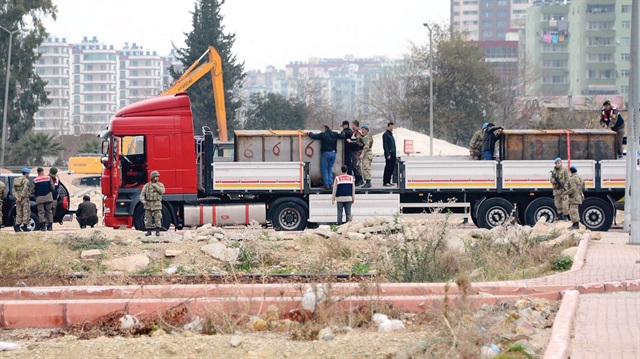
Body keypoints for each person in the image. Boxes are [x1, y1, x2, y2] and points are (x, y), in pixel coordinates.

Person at [308, 125, 345, 189]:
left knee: (324, 169)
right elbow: (343, 136)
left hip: (326, 153)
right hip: (333, 153)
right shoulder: (335, 134)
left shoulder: (323, 134)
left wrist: (309, 133)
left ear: (325, 129)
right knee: (330, 169)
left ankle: (326, 184)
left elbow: (313, 136)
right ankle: (331, 183)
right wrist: (342, 131)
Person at [140, 170, 165, 236]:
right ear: (152, 177)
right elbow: (142, 194)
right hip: (149, 204)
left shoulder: (160, 185)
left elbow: (162, 191)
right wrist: (143, 201)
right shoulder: (147, 186)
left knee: (158, 217)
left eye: (158, 176)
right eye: (156, 176)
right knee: (148, 218)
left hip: (157, 204)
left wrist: (156, 187)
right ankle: (149, 231)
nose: (157, 178)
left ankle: (157, 231)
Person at [32, 167, 54, 231]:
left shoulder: (35, 180)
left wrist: (35, 195)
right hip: (48, 197)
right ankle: (50, 226)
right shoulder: (48, 178)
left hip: (39, 198)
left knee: (41, 212)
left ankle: (43, 226)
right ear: (43, 171)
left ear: (37, 172)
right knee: (49, 212)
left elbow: (32, 190)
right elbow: (52, 187)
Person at [564, 165, 584, 230]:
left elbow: (573, 189)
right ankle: (575, 224)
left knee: (573, 211)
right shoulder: (579, 177)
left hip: (574, 197)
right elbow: (583, 185)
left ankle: (575, 224)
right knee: (575, 210)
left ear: (571, 171)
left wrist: (566, 192)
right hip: (579, 195)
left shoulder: (572, 178)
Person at [346, 120, 364, 186]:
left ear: (355, 125)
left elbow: (359, 142)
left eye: (352, 124)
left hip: (357, 151)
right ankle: (357, 179)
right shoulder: (354, 132)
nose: (351, 126)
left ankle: (360, 179)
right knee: (353, 165)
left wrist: (351, 142)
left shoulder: (358, 133)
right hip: (354, 151)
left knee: (356, 165)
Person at [13, 168, 31, 232]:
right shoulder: (26, 180)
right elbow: (25, 189)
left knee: (19, 213)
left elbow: (13, 190)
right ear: (26, 174)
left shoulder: (16, 180)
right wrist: (21, 197)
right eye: (28, 173)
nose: (28, 175)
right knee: (26, 212)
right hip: (24, 199)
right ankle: (25, 227)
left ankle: (17, 227)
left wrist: (17, 197)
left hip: (18, 199)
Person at [382, 122, 397, 187]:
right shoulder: (385, 135)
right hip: (389, 154)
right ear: (389, 126)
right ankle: (386, 181)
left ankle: (389, 181)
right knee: (388, 167)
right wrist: (387, 153)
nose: (392, 128)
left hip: (393, 154)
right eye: (392, 126)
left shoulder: (391, 135)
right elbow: (385, 145)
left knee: (391, 168)